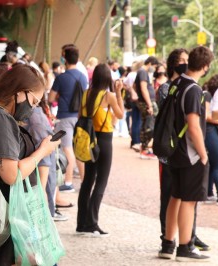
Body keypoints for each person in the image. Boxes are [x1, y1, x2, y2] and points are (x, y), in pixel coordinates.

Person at [0, 64, 60, 265]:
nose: (33, 108)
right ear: (19, 92)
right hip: (6, 216)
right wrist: (43, 151)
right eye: (33, 101)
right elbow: (11, 174)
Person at [158, 46, 213, 262]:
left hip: (173, 151)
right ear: (206, 66)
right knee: (189, 201)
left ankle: (167, 244)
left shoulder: (176, 84)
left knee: (175, 197)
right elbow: (194, 126)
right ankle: (184, 247)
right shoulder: (194, 90)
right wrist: (203, 154)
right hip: (189, 153)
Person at [76, 64, 124, 236]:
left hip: (89, 139)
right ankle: (92, 222)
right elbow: (120, 115)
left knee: (88, 180)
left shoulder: (86, 94)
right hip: (104, 141)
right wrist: (118, 93)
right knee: (101, 181)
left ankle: (81, 222)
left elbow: (80, 116)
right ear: (107, 79)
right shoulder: (108, 95)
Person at [48, 47, 88, 193]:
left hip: (64, 117)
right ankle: (84, 182)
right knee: (78, 149)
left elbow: (50, 98)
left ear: (64, 59)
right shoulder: (83, 77)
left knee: (66, 150)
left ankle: (68, 182)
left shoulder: (61, 78)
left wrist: (60, 97)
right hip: (79, 117)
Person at [134, 56, 159, 159]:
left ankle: (144, 148)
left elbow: (134, 86)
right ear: (150, 63)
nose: (153, 68)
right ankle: (145, 149)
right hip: (146, 102)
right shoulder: (143, 72)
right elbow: (143, 88)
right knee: (149, 126)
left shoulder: (140, 72)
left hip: (144, 101)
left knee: (146, 124)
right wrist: (149, 104)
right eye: (154, 66)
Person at [203, 75, 218, 204]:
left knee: (214, 163)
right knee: (217, 163)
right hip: (210, 128)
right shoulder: (208, 95)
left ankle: (208, 193)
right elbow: (207, 115)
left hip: (212, 128)